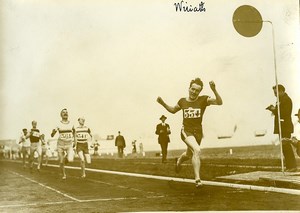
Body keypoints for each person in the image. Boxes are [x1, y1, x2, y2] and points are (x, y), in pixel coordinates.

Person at [157, 78, 223, 187]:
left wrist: (214, 90)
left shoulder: (203, 100)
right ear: (189, 88)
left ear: (200, 92)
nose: (194, 92)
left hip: (198, 133)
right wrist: (163, 103)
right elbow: (173, 110)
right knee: (197, 150)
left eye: (197, 90)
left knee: (189, 154)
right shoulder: (183, 101)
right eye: (192, 89)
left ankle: (179, 160)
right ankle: (197, 179)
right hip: (186, 131)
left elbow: (219, 102)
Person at [266, 84, 297, 172]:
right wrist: (274, 109)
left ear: (281, 91)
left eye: (276, 92)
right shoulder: (280, 100)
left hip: (285, 127)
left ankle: (292, 166)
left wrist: (273, 109)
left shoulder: (286, 100)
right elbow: (279, 113)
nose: (275, 94)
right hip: (281, 127)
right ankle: (289, 166)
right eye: (274, 93)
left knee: (286, 146)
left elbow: (284, 113)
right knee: (284, 147)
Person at [51, 108, 75, 179]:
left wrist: (75, 141)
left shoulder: (71, 123)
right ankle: (64, 174)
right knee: (61, 161)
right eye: (63, 112)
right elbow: (52, 135)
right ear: (61, 115)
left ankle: (65, 159)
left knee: (70, 159)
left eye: (66, 112)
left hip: (69, 144)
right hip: (60, 144)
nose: (65, 113)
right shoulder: (58, 124)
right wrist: (53, 132)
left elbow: (74, 132)